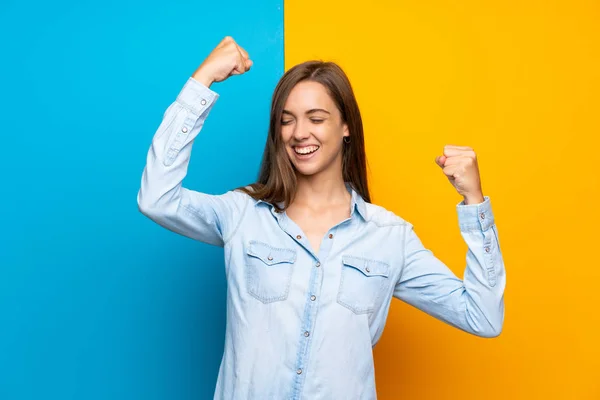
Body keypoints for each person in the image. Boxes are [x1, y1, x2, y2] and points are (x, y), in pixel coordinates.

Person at [137, 36, 506, 400]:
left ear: (346, 126)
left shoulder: (389, 237)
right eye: (287, 121)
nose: (300, 133)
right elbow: (157, 198)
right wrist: (202, 82)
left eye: (316, 118)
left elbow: (483, 316)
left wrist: (474, 202)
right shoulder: (243, 213)